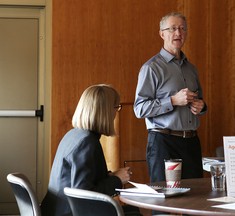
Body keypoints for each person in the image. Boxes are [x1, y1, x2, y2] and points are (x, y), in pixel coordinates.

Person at [41, 84, 141, 216]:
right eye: (116, 107)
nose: (116, 112)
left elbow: (82, 181)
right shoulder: (87, 142)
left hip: (58, 209)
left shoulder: (74, 135)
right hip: (70, 212)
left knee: (133, 211)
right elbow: (84, 195)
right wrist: (117, 180)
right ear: (105, 111)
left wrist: (112, 176)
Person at [134, 12, 207, 184]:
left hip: (191, 142)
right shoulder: (151, 68)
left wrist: (201, 107)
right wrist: (173, 101)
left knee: (195, 202)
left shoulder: (192, 69)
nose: (178, 33)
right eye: (173, 29)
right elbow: (139, 108)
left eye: (182, 29)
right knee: (164, 204)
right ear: (162, 34)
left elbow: (201, 102)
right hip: (164, 143)